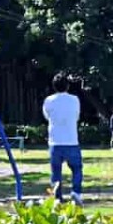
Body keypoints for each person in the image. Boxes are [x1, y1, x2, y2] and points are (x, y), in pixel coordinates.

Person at [42, 72, 83, 205]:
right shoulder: (74, 99)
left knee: (56, 172)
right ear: (67, 86)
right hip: (71, 140)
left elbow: (46, 116)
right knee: (77, 169)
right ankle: (76, 192)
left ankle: (57, 197)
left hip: (55, 140)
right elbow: (77, 116)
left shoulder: (49, 100)